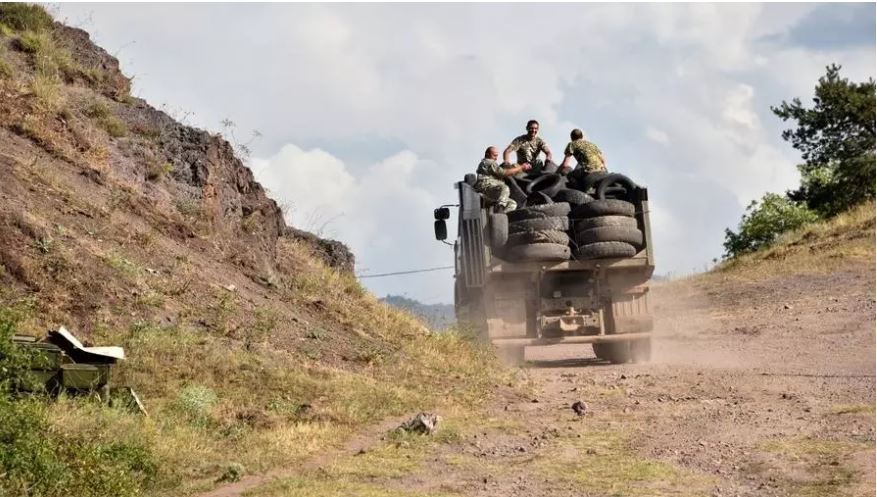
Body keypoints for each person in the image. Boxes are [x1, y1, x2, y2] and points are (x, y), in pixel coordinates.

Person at [474, 146, 531, 213]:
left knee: (512, 204)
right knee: (504, 188)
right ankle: (499, 207)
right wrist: (521, 167)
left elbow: (503, 171)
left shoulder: (492, 164)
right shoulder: (488, 162)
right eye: (494, 155)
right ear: (487, 154)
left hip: (492, 191)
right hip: (485, 188)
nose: (496, 158)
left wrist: (516, 168)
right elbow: (503, 173)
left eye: (497, 156)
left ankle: (501, 217)